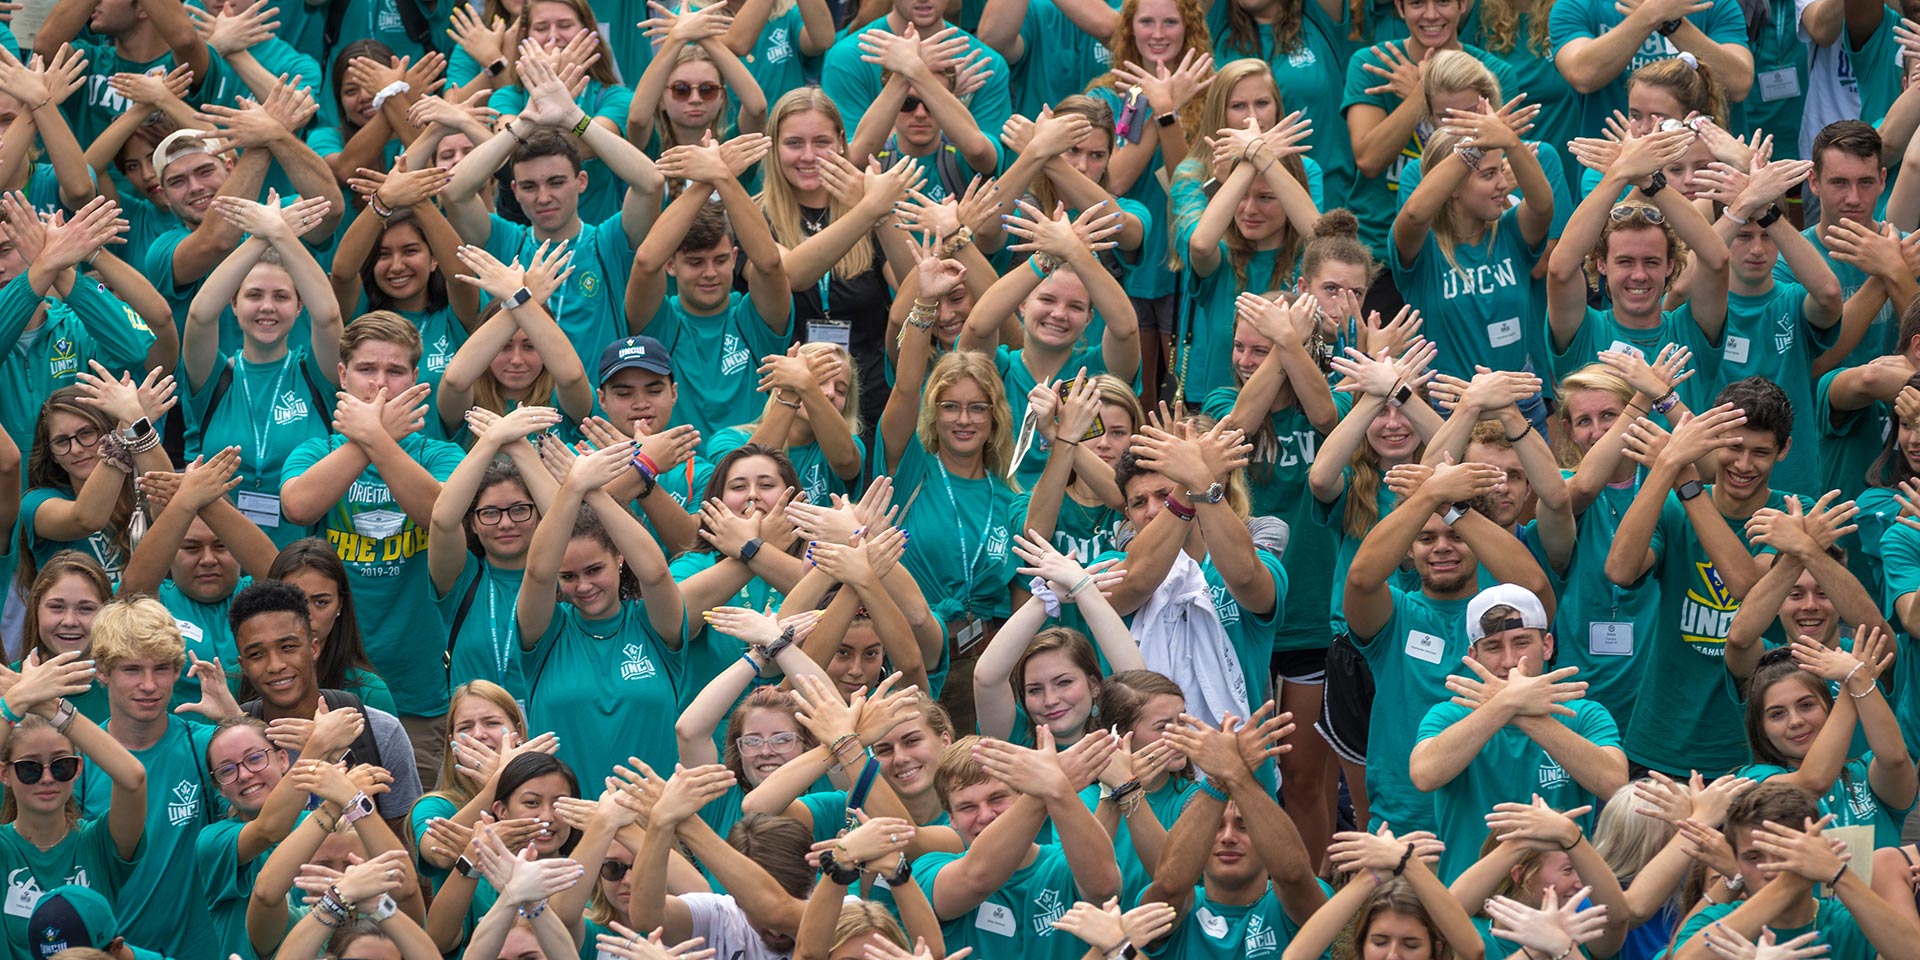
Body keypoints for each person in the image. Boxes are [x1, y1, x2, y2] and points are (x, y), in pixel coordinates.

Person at [278, 312, 464, 786]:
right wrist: (371, 440)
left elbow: (442, 513)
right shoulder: (315, 450)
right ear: (342, 375)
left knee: (408, 832)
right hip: (327, 688)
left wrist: (373, 437)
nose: (380, 384)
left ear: (416, 379)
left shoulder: (440, 455)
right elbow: (298, 505)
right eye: (366, 369)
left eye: (395, 371)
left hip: (420, 693)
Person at [1343, 457, 1553, 833]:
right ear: (1409, 548)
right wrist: (1430, 495)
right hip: (1406, 819)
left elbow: (1536, 590)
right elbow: (1360, 580)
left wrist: (1451, 507)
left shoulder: (1503, 615)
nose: (1441, 547)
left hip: (1494, 817)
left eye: (1455, 535)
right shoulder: (1395, 614)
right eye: (1426, 538)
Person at [1605, 379, 1802, 777]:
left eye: (1760, 452)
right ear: (1711, 439)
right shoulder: (1675, 508)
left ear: (1784, 450)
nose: (1744, 465)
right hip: (1660, 742)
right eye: (1733, 447)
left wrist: (1687, 483)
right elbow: (1620, 571)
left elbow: (1747, 587)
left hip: (1753, 751)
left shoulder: (1794, 515)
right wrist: (1666, 465)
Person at [442, 51, 666, 374]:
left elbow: (651, 182)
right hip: (520, 415)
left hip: (595, 416)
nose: (544, 196)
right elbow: (454, 190)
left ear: (582, 181)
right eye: (530, 186)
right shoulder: (505, 241)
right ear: (515, 191)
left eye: (557, 182)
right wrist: (523, 122)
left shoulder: (609, 241)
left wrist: (574, 116)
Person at [1408, 583, 1627, 881]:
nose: (1510, 661)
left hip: (1561, 902)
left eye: (1522, 642)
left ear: (1547, 645)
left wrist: (1514, 709)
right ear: (1474, 655)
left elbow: (1615, 784)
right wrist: (1507, 704)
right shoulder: (1450, 714)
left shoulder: (1584, 714)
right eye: (1494, 647)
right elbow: (1424, 774)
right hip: (1468, 905)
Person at [516, 437, 688, 787]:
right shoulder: (546, 633)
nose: (583, 586)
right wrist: (574, 486)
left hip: (648, 821)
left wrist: (591, 491)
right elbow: (537, 572)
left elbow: (655, 572)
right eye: (568, 576)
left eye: (594, 570)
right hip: (564, 826)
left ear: (620, 557)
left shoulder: (653, 624)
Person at [181, 192, 340, 550]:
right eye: (254, 295)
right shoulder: (214, 377)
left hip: (303, 564)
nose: (267, 307)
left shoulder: (317, 375)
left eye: (282, 297)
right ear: (233, 304)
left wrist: (280, 234)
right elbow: (199, 315)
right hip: (219, 564)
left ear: (299, 306)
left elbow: (329, 316)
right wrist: (262, 235)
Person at [70, 598, 221, 960]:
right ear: (102, 672)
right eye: (132, 670)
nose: (150, 685)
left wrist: (232, 718)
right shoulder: (78, 762)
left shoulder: (204, 746)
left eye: (162, 669)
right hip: (111, 950)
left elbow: (269, 813)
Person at [1550, 125, 1730, 416]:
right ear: (1601, 264)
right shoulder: (1585, 331)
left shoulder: (1690, 329)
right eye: (1624, 261)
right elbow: (1559, 270)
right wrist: (1620, 173)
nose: (1639, 275)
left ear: (1670, 265)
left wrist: (1650, 181)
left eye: (1652, 262)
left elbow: (1717, 260)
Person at [628, 135, 793, 438]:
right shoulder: (662, 321)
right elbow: (645, 262)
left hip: (751, 476)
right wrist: (712, 176)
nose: (709, 273)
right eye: (695, 262)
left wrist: (719, 174)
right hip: (676, 473)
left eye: (719, 260)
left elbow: (770, 264)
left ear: (734, 258)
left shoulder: (751, 318)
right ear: (671, 265)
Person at [226, 579, 422, 833]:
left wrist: (341, 756)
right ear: (243, 666)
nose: (275, 665)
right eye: (257, 655)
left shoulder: (380, 733)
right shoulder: (231, 748)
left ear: (314, 647)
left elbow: (405, 851)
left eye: (288, 647)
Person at [1137, 710, 1328, 960]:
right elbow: (1170, 886)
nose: (1227, 837)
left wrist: (1234, 773)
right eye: (1215, 826)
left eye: (1244, 826)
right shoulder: (1171, 903)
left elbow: (1293, 875)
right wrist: (1220, 778)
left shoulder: (1308, 897)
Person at [0, 649, 147, 960]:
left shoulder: (98, 843)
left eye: (61, 765)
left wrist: (51, 706)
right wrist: (15, 701)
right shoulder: (3, 849)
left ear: (78, 769)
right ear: (6, 775)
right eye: (29, 768)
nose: (47, 778)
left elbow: (133, 778)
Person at [1668, 782, 1916, 960]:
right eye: (1753, 857)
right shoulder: (1715, 920)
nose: (1769, 868)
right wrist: (1792, 883)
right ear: (1736, 860)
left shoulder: (1847, 922)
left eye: (1785, 852)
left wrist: (1837, 872)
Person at [116, 447, 278, 719]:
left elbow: (283, 577)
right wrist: (185, 501)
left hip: (259, 751)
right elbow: (131, 594)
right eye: (191, 548)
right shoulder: (155, 604)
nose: (208, 559)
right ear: (169, 554)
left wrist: (200, 498)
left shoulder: (258, 596)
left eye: (221, 546)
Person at [1735, 628, 1916, 850]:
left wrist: (1858, 678)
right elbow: (1812, 782)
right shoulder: (1751, 781)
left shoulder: (1865, 773)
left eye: (1806, 705)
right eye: (1777, 714)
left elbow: (1896, 759)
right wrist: (1852, 684)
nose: (1795, 721)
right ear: (1760, 728)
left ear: (1828, 708)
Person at [434, 241, 593, 435]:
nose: (516, 360)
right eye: (504, 346)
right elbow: (453, 381)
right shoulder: (470, 402)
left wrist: (517, 297)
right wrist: (524, 298)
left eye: (529, 346)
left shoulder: (560, 398)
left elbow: (573, 377)